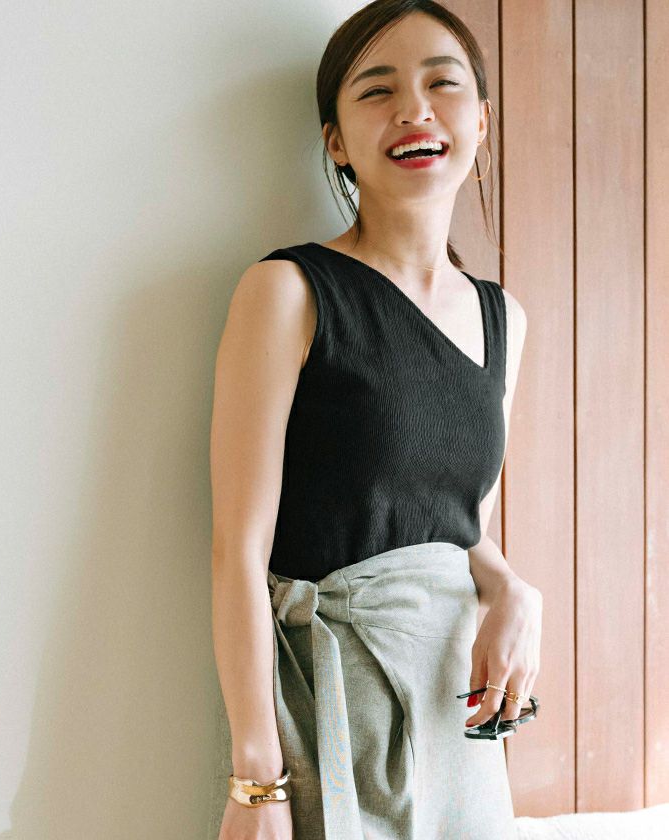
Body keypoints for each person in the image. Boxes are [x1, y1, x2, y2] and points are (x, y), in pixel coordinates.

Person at [207, 1, 543, 838]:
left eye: (442, 84)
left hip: (455, 709)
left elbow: (456, 526)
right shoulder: (289, 292)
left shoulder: (504, 319)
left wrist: (511, 587)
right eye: (378, 90)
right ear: (336, 141)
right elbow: (238, 550)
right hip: (329, 711)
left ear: (481, 120)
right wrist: (257, 782)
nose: (414, 109)